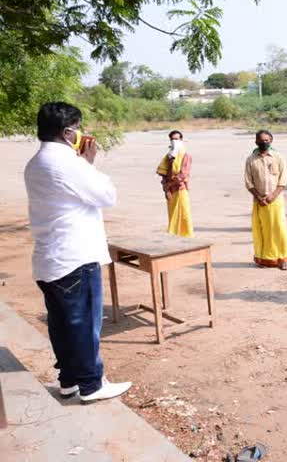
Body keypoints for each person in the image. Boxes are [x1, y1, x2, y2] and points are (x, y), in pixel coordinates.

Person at [24, 102, 131, 402]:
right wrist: (87, 163)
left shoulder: (36, 162)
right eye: (78, 127)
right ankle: (91, 384)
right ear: (69, 132)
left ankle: (69, 380)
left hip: (50, 258)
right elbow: (107, 195)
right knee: (84, 325)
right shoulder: (67, 163)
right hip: (74, 257)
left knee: (62, 325)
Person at [245, 130, 287, 270]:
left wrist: (273, 196)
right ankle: (265, 259)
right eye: (261, 140)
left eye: (267, 140)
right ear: (256, 142)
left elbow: (283, 180)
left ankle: (283, 259)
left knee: (279, 228)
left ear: (271, 141)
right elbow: (248, 182)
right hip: (259, 201)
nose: (264, 142)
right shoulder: (251, 159)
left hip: (275, 200)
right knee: (263, 230)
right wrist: (259, 197)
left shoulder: (278, 157)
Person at [156, 130, 193, 237]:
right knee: (173, 215)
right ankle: (174, 237)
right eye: (172, 139)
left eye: (176, 139)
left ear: (181, 140)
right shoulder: (168, 157)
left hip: (180, 188)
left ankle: (187, 237)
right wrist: (166, 189)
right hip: (170, 191)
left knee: (184, 214)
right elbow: (163, 174)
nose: (174, 141)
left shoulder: (186, 156)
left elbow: (183, 175)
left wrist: (169, 185)